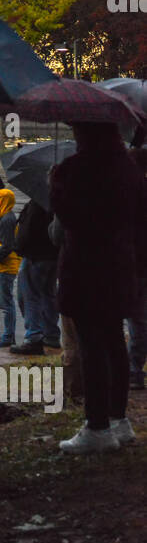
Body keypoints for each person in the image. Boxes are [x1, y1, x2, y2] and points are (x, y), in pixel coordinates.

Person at [50, 123, 147, 454]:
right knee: (114, 340)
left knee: (91, 345)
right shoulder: (128, 168)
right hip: (121, 265)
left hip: (88, 269)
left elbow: (72, 219)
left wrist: (55, 186)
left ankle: (97, 426)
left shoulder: (78, 169)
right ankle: (119, 419)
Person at [12, 198, 60, 355]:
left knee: (30, 295)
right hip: (53, 256)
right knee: (49, 294)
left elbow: (27, 231)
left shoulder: (37, 203)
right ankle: (51, 334)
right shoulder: (58, 201)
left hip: (35, 256)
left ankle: (33, 337)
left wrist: (19, 247)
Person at [0, 188, 21, 347]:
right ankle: (7, 335)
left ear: (3, 201)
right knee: (5, 303)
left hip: (6, 268)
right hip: (3, 267)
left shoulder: (7, 220)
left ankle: (8, 337)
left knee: (6, 304)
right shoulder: (3, 218)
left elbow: (7, 245)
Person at [125, 147, 147, 391]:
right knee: (139, 321)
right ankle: (135, 369)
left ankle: (126, 369)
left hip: (126, 262)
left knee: (109, 319)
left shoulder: (124, 193)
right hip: (142, 264)